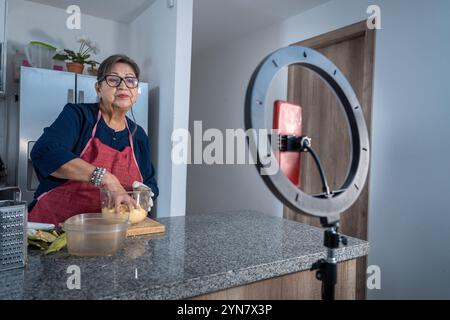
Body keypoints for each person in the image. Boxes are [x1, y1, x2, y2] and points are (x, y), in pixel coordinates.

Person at [28, 54, 159, 225]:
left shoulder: (138, 135)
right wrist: (107, 179)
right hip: (57, 228)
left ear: (136, 92)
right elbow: (45, 151)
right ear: (98, 88)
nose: (123, 86)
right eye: (113, 79)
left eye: (130, 80)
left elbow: (149, 181)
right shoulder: (78, 116)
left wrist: (146, 193)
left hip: (113, 234)